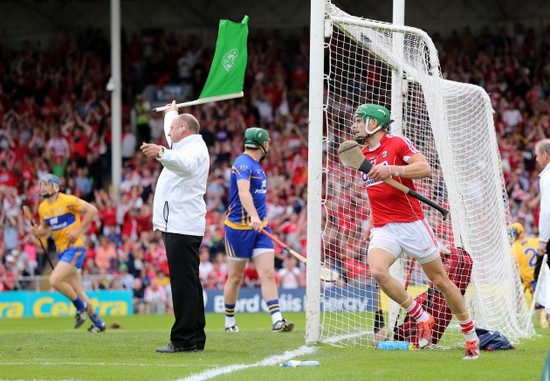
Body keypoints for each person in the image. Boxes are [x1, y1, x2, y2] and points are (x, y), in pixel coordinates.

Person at [353, 103, 479, 360]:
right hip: (383, 227)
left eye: (358, 119)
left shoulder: (397, 143)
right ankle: (422, 317)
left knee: (441, 280)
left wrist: (393, 169)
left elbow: (425, 169)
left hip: (411, 224)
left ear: (373, 123)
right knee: (377, 270)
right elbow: (376, 193)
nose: (354, 124)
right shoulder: (362, 153)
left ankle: (470, 336)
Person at [140, 100, 209, 353]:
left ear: (183, 131)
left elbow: (184, 164)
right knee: (189, 282)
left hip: (181, 224)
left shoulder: (193, 152)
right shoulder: (186, 142)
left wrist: (160, 153)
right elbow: (174, 129)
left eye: (172, 129)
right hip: (182, 224)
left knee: (183, 284)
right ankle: (196, 337)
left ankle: (184, 340)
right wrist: (172, 113)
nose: (168, 134)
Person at [223, 127, 294, 333]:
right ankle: (229, 322)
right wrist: (253, 215)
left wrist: (259, 219)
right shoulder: (242, 163)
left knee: (268, 273)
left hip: (261, 228)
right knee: (235, 278)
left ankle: (277, 320)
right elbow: (244, 192)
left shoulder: (257, 166)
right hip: (238, 229)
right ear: (262, 143)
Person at [32, 174, 106, 333]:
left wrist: (78, 230)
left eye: (46, 184)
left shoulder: (68, 200)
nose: (42, 187)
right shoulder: (42, 208)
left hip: (75, 249)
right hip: (61, 252)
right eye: (41, 184)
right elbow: (44, 229)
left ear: (56, 187)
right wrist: (38, 231)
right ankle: (99, 324)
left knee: (54, 280)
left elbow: (92, 210)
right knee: (78, 291)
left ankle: (80, 308)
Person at [534, 139, 550, 327]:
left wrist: (543, 239)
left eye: (538, 155)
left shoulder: (547, 177)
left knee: (546, 273)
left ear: (545, 156)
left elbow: (547, 210)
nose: (536, 159)